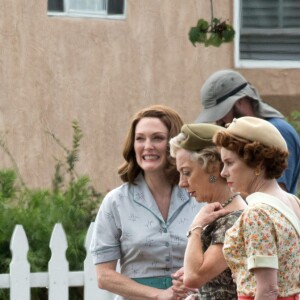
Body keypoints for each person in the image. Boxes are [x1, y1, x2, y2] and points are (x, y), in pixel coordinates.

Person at [90, 104, 204, 300]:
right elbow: (104, 276)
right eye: (140, 138)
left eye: (157, 138)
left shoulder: (200, 196)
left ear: (174, 144)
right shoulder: (116, 202)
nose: (147, 146)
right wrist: (158, 295)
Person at [213, 116, 300, 300]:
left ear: (258, 164)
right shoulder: (293, 202)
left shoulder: (257, 213)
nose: (223, 172)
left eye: (229, 163)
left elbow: (268, 289)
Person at [169, 123, 247, 300]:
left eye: (187, 172)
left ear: (212, 168)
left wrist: (195, 228)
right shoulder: (223, 212)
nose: (182, 182)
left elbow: (194, 278)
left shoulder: (232, 220)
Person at [196, 69, 300, 194]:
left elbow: (276, 193)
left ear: (240, 101)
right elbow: (218, 180)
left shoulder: (277, 131)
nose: (218, 121)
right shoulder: (242, 138)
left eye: (222, 112)